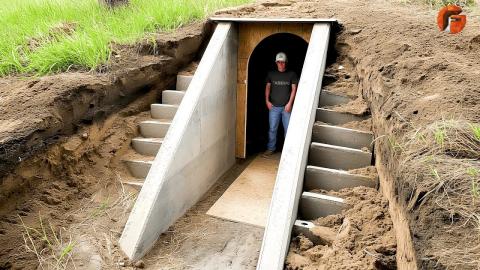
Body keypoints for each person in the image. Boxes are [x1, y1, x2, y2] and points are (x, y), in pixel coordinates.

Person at [263, 52, 298, 156]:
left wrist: (290, 104)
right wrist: (267, 101)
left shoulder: (292, 74)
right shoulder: (271, 74)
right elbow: (268, 87)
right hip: (273, 107)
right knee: (272, 129)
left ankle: (287, 151)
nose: (281, 64)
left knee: (288, 130)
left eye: (282, 62)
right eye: (279, 62)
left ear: (286, 62)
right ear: (276, 63)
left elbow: (294, 89)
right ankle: (271, 148)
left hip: (286, 107)